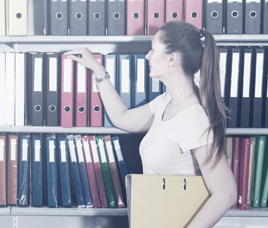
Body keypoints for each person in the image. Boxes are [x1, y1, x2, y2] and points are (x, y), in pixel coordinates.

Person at [65, 21, 237, 228]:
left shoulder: (193, 120)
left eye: (153, 49)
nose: (147, 56)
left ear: (171, 58)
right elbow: (122, 118)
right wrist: (98, 70)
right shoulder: (165, 102)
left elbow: (226, 194)